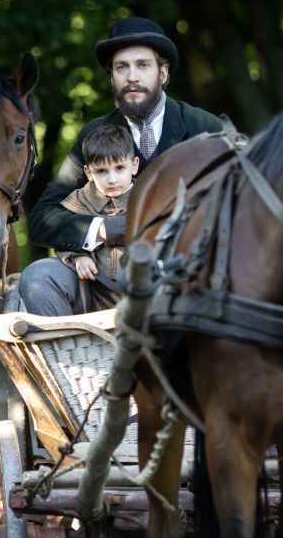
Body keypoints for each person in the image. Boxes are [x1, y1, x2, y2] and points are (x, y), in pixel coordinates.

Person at [21, 16, 223, 315]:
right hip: (103, 282)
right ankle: (79, 362)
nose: (132, 77)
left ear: (163, 73)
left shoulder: (203, 127)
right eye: (121, 67)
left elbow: (238, 208)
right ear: (111, 78)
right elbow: (42, 218)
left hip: (181, 280)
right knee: (37, 278)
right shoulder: (94, 135)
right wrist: (102, 229)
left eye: (143, 65)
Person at [47, 124, 138, 313]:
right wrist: (77, 256)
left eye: (120, 168)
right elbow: (65, 235)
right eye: (102, 171)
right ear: (88, 172)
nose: (112, 179)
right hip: (96, 293)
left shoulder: (148, 198)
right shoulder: (80, 201)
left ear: (134, 165)